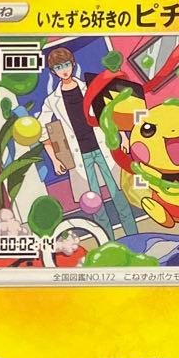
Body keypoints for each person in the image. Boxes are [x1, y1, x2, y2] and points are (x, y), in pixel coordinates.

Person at [39, 47, 139, 238]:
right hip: (80, 155)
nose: (64, 70)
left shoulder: (90, 87)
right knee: (93, 200)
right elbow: (42, 130)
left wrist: (124, 136)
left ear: (72, 64)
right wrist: (55, 160)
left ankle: (133, 236)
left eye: (66, 65)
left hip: (104, 147)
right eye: (59, 67)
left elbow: (110, 113)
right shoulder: (52, 100)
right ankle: (106, 239)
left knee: (117, 193)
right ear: (53, 71)